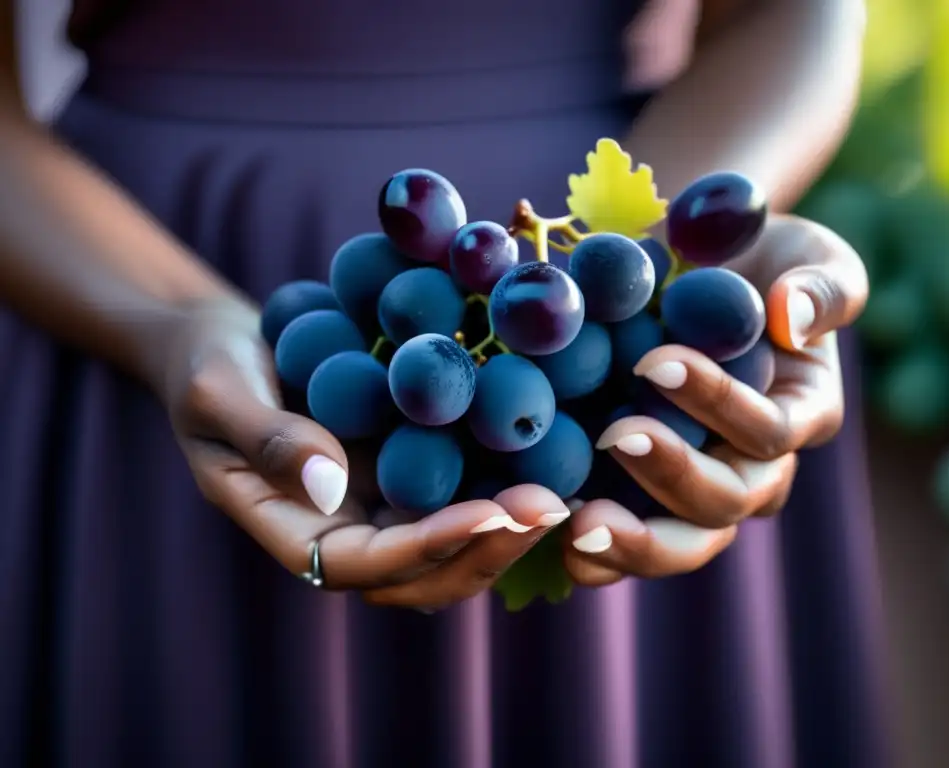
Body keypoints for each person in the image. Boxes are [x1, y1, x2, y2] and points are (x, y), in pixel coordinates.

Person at [0, 0, 889, 766]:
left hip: (625, 344)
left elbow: (790, 10)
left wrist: (663, 255)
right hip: (126, 272)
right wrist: (166, 323)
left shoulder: (617, 330)